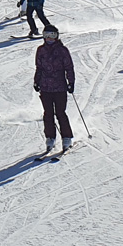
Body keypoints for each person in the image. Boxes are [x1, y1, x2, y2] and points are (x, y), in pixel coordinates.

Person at [33, 24, 75, 154]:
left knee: (60, 113)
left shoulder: (62, 50)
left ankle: (66, 138)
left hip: (60, 87)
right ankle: (50, 138)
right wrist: (36, 81)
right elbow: (39, 67)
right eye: (47, 36)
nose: (49, 39)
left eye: (52, 36)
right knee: (48, 113)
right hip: (45, 88)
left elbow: (69, 67)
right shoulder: (41, 50)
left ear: (57, 37)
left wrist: (71, 82)